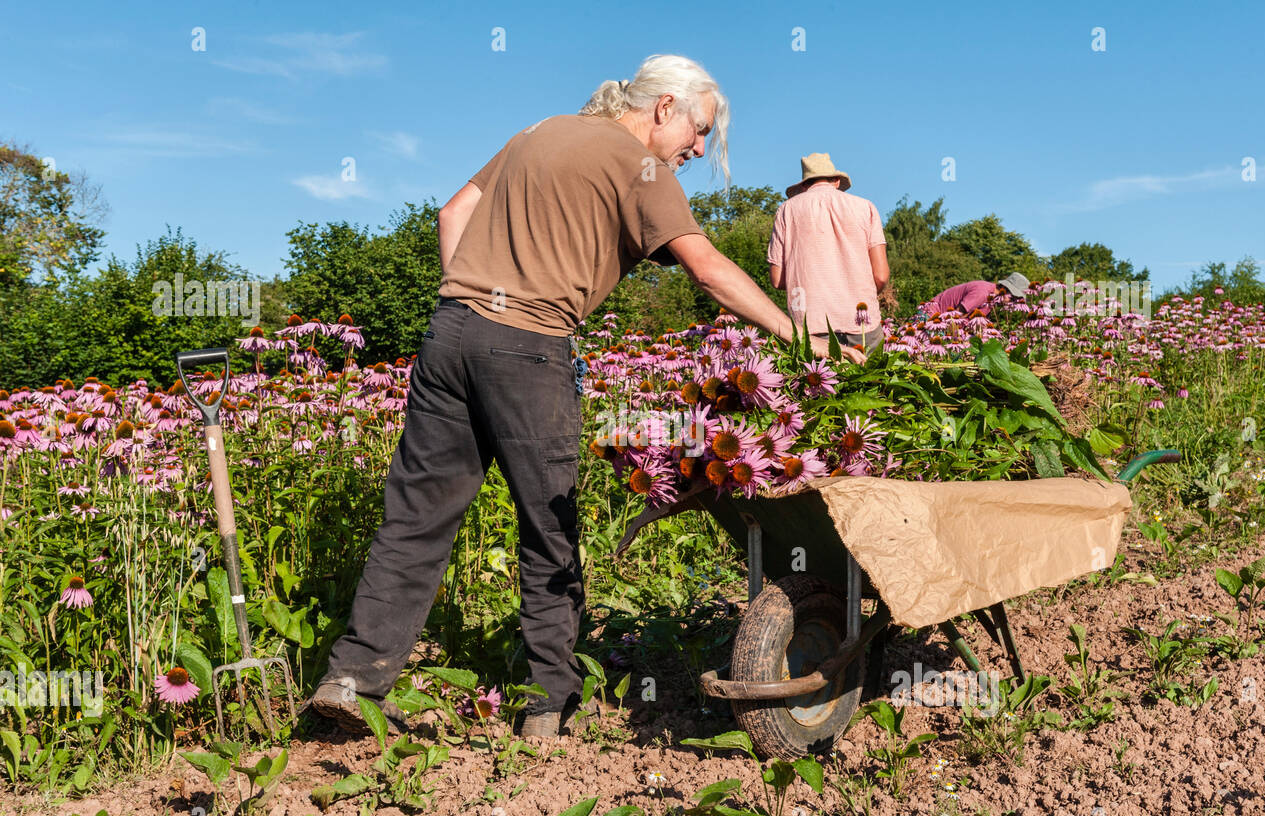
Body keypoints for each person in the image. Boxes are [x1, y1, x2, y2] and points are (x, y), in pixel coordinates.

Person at [305, 54, 866, 742]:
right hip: (528, 345)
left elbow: (454, 212)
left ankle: (353, 678)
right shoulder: (642, 167)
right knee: (548, 526)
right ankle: (547, 703)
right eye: (698, 130)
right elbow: (709, 269)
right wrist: (799, 335)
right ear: (664, 108)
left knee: (416, 516)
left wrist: (474, 301)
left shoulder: (538, 132)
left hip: (450, 333)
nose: (696, 147)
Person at [767, 153, 890, 352]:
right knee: (871, 381)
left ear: (805, 185)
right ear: (837, 181)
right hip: (862, 324)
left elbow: (777, 280)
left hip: (810, 324)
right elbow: (881, 276)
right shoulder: (866, 207)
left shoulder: (786, 210)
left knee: (820, 381)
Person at [922, 272, 1030, 316]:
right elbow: (955, 316)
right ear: (1005, 291)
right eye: (1012, 299)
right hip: (930, 314)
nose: (1012, 303)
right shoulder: (982, 294)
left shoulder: (990, 300)